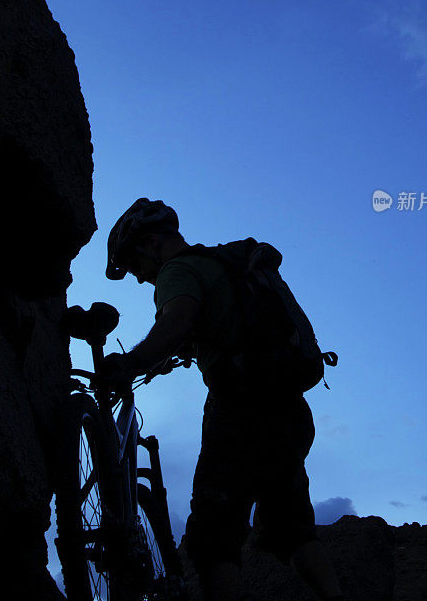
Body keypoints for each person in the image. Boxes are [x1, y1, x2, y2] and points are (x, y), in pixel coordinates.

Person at [103, 198, 344, 601]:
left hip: (239, 412)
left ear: (148, 244)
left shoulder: (176, 270)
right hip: (288, 409)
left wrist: (132, 362)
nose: (141, 279)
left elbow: (177, 319)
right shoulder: (221, 266)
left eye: (134, 266)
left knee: (213, 534)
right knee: (291, 530)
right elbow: (213, 328)